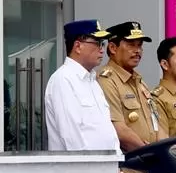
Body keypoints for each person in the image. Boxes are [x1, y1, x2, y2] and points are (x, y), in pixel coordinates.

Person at [98, 21, 161, 173]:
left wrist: (174, 152)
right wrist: (153, 152)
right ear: (112, 47)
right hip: (127, 170)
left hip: (148, 168)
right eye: (131, 45)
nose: (138, 50)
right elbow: (117, 128)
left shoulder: (140, 82)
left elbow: (155, 124)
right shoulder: (107, 81)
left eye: (140, 45)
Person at [44, 20, 120, 153]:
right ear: (78, 46)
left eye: (102, 44)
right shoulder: (63, 79)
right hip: (80, 170)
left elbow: (107, 129)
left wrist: (116, 162)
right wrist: (91, 168)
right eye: (97, 43)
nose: (102, 49)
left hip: (104, 169)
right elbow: (71, 136)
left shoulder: (92, 81)